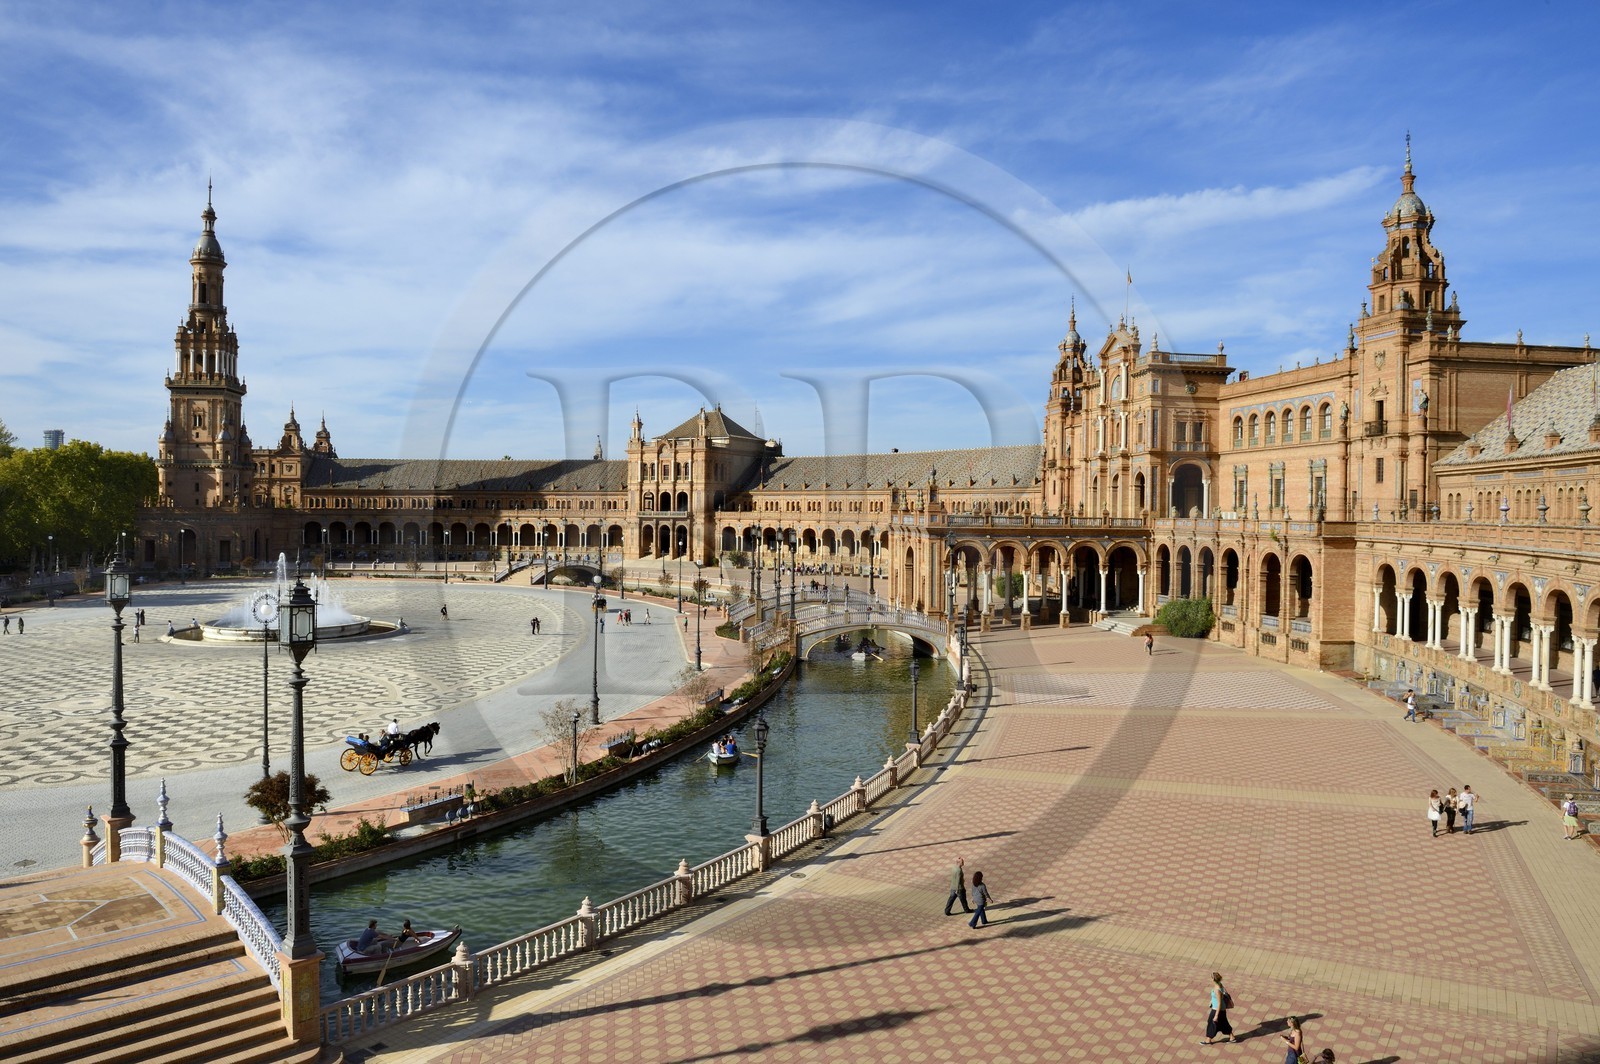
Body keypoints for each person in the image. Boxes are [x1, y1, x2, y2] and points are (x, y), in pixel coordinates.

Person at [1203, 971, 1237, 1044]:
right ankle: (1232, 1037)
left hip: (1217, 1009)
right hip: (1221, 1009)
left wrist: (1216, 1015)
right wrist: (1211, 1001)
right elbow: (1223, 994)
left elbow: (1219, 1003)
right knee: (1223, 1023)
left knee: (1211, 1022)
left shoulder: (1217, 989)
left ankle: (1208, 1040)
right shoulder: (1219, 984)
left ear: (1213, 979)